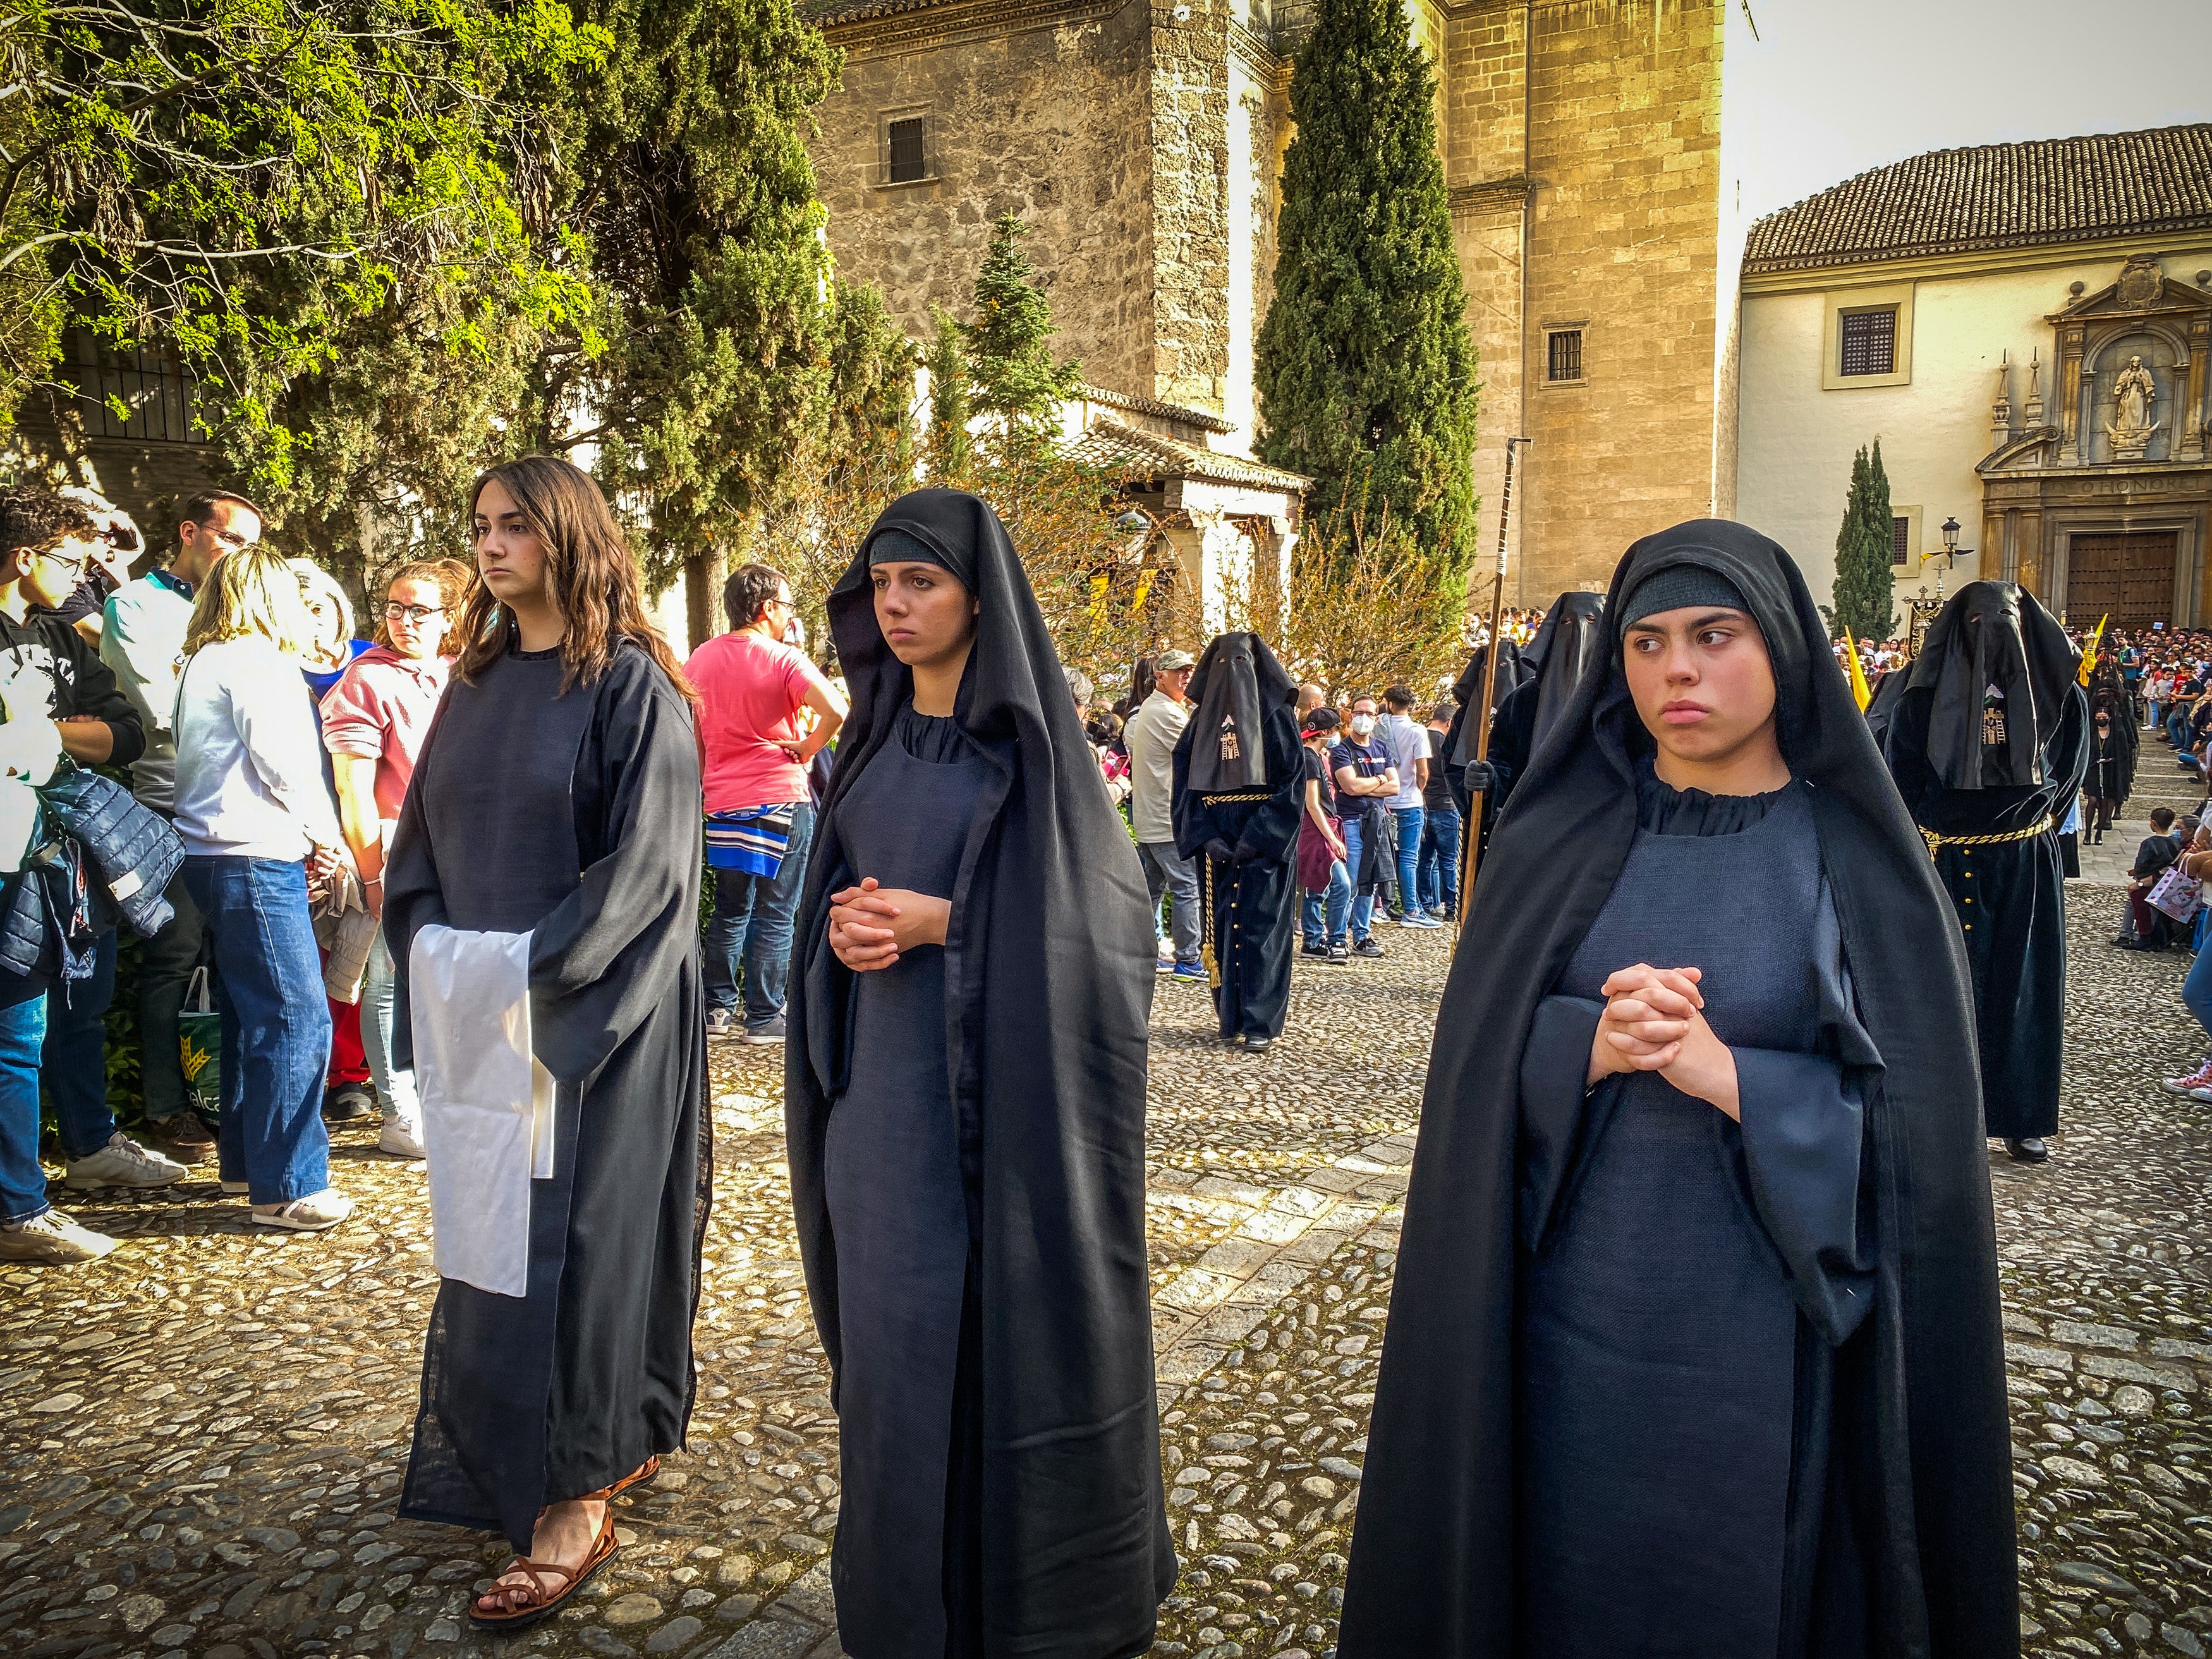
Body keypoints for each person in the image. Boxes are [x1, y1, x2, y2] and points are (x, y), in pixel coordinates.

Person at [1339, 520, 2017, 1659]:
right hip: (1566, 1320)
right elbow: (1471, 1101)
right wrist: (1588, 1045)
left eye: (1715, 635)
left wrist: (1731, 1076)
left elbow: (1917, 1159)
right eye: (1646, 643)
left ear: (1786, 650)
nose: (1677, 672)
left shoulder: (1856, 861)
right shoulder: (1554, 844)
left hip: (1774, 1344)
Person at [785, 489, 1175, 1656]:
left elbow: (1112, 934)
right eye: (881, 589)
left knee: (1009, 1347)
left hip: (1008, 1114)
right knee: (897, 1357)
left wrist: (947, 924)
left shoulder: (1031, 756)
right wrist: (846, 937)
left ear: (977, 597)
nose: (897, 609)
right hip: (885, 1109)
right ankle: (906, 1608)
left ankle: (1030, 1608)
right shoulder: (869, 742)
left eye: (924, 585)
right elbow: (839, 896)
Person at [381, 456, 707, 1630]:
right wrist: (435, 961)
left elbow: (652, 879)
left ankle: (574, 1491)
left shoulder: (631, 690)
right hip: (486, 1019)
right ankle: (509, 1445)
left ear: (570, 535)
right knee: (491, 1248)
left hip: (596, 1025)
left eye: (516, 525)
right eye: (479, 527)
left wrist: (531, 983)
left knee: (583, 1254)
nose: (490, 545)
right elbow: (419, 848)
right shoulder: (468, 687)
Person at [0, 490, 171, 1265]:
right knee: (15, 1029)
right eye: (70, 560)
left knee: (80, 1004)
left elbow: (128, 732)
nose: (80, 578)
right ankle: (18, 1206)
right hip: (9, 857)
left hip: (71, 858)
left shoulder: (62, 635)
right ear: (25, 556)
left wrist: (40, 733)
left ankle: (92, 1146)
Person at [171, 547, 354, 1231]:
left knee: (251, 1016)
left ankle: (249, 1165)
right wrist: (327, 836)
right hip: (252, 853)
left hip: (212, 854)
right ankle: (288, 1187)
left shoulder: (203, 660)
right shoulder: (257, 660)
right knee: (293, 1017)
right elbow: (285, 767)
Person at [1882, 580, 2087, 1165]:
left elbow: (2069, 775)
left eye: (2006, 621)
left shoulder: (2059, 695)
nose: (1994, 631)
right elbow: (1903, 772)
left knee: (2022, 987)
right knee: (1945, 986)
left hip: (2022, 860)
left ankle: (2021, 1116)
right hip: (1948, 855)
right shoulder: (1921, 696)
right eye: (1980, 622)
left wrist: (2028, 827)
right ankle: (1942, 1111)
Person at [101, 489, 257, 1165]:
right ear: (190, 533)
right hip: (173, 809)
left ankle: (231, 1098)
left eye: (253, 546)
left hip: (244, 811)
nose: (242, 558)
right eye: (231, 540)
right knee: (175, 956)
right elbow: (164, 712)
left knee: (239, 960)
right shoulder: (136, 605)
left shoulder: (243, 606)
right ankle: (167, 1106)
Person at [319, 558, 470, 1159]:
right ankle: (397, 1108)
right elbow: (351, 789)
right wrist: (373, 870)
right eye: (394, 607)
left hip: (461, 850)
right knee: (387, 978)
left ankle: (443, 1094)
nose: (404, 620)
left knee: (450, 976)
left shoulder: (462, 673)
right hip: (396, 847)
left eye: (420, 610)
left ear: (449, 618)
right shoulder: (365, 680)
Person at [686, 562, 848, 1043]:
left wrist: (706, 783)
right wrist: (810, 747)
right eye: (788, 606)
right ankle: (763, 1018)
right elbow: (837, 709)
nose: (790, 617)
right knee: (777, 912)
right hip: (781, 797)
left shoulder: (699, 660)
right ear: (767, 609)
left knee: (730, 909)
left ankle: (716, 1010)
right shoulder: (783, 659)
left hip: (724, 802)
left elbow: (692, 731)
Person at [1173, 632, 1304, 1050]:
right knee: (1224, 929)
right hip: (1218, 844)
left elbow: (1292, 784)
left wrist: (1258, 835)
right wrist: (1205, 835)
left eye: (1240, 662)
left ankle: (1261, 1022)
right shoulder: (1201, 722)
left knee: (1261, 927)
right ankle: (1230, 1014)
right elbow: (1184, 786)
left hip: (1262, 842)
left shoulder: (1276, 717)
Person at [1124, 647, 1203, 980]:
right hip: (1167, 819)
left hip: (1152, 816)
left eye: (1189, 671)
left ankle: (1138, 953)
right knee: (1186, 888)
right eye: (1178, 672)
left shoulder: (1154, 709)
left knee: (1151, 890)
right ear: (1159, 676)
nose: (1186, 676)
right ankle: (1188, 960)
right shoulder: (1168, 714)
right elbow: (1200, 753)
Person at [1330, 696, 1398, 957]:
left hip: (1377, 823)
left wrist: (1369, 783)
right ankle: (1336, 937)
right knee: (1350, 883)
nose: (1365, 718)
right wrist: (1380, 778)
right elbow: (1350, 787)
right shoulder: (1342, 751)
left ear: (1377, 718)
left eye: (1370, 714)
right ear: (1350, 715)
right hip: (1351, 821)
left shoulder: (1382, 748)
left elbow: (1396, 787)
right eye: (1359, 713)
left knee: (1370, 881)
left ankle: (1362, 935)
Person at [1377, 684, 1440, 927]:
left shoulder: (1377, 727)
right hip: (1409, 799)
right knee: (1409, 858)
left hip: (1382, 797)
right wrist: (1417, 790)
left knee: (1381, 855)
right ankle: (1412, 909)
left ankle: (1382, 906)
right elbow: (1423, 771)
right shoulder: (1417, 731)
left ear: (1389, 704)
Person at [1297, 707, 1351, 963]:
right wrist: (1332, 838)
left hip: (1321, 824)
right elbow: (1312, 802)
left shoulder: (1315, 755)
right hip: (1317, 827)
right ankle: (1336, 938)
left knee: (1316, 885)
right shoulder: (1309, 758)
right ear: (1327, 732)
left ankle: (1312, 939)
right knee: (1342, 885)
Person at [1417, 699, 1461, 921]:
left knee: (1423, 860)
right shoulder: (1449, 744)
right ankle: (1451, 907)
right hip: (1446, 806)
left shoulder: (1418, 737)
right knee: (1448, 860)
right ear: (1450, 722)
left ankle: (1424, 904)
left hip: (1423, 805)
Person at [2120, 805, 2182, 950]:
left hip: (2148, 881)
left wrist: (2137, 872)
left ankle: (2136, 935)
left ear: (2153, 823)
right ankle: (2131, 934)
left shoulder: (2150, 843)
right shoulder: (2176, 843)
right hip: (2166, 882)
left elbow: (2142, 864)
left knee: (2139, 903)